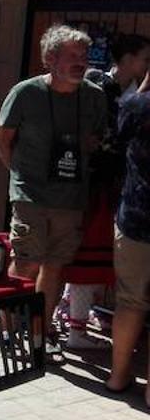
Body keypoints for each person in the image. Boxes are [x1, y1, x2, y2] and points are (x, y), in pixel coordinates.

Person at [0, 25, 107, 357]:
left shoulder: (94, 97)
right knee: (26, 262)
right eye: (73, 56)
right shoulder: (24, 93)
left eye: (83, 56)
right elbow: (2, 140)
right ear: (50, 58)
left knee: (55, 265)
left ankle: (38, 332)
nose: (80, 62)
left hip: (71, 197)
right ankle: (7, 330)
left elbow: (96, 139)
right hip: (30, 195)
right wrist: (20, 177)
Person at [65, 33, 150, 348]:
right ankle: (76, 327)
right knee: (83, 256)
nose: (146, 64)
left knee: (96, 258)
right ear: (127, 59)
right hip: (93, 183)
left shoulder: (129, 92)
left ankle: (77, 316)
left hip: (114, 185)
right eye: (143, 58)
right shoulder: (98, 85)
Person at [105, 71, 150, 405]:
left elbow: (117, 138)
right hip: (136, 215)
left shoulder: (136, 106)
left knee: (130, 301)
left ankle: (118, 376)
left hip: (136, 215)